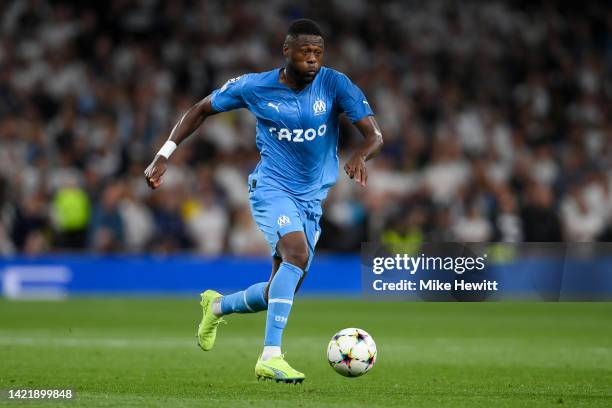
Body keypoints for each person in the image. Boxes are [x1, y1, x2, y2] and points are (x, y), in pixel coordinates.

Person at [144, 19, 383, 383]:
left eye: (318, 53)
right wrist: (164, 154)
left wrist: (362, 154)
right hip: (272, 188)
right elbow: (200, 109)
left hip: (311, 201)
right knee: (297, 256)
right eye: (306, 53)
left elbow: (374, 135)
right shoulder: (255, 86)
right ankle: (270, 355)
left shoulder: (335, 84)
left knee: (278, 291)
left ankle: (218, 305)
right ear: (286, 51)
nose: (313, 60)